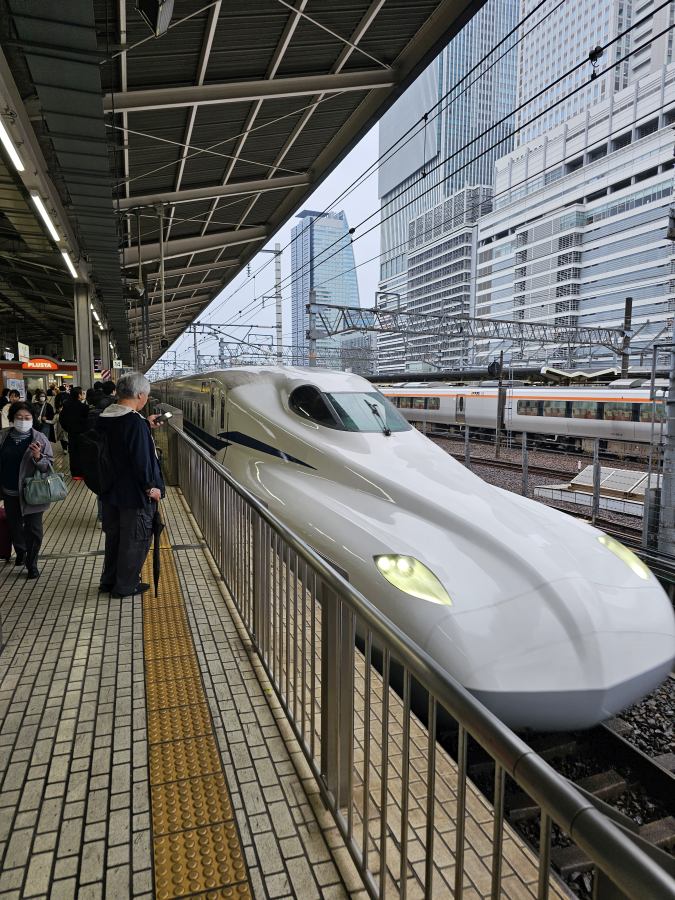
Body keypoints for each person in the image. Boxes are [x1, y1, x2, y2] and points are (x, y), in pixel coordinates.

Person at [97, 372, 165, 598]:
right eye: (146, 394)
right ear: (139, 395)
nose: (146, 398)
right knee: (135, 540)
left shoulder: (106, 416)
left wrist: (145, 424)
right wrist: (151, 487)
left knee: (115, 538)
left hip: (110, 491)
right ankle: (125, 586)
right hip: (134, 495)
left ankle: (109, 581)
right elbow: (141, 461)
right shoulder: (134, 423)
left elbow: (119, 444)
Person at [0, 401, 54, 578]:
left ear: (33, 419)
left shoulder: (40, 438)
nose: (23, 421)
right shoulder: (3, 436)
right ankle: (21, 551)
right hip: (9, 492)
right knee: (14, 525)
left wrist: (38, 457)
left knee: (34, 529)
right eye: (19, 417)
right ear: (12, 418)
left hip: (33, 493)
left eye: (27, 417)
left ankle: (32, 563)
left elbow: (48, 466)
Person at [58, 386, 89, 478]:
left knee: (73, 452)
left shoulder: (66, 405)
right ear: (79, 395)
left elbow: (61, 419)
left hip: (71, 432)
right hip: (82, 433)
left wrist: (67, 428)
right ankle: (82, 473)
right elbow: (87, 421)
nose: (83, 395)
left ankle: (75, 474)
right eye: (82, 393)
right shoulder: (84, 407)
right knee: (82, 452)